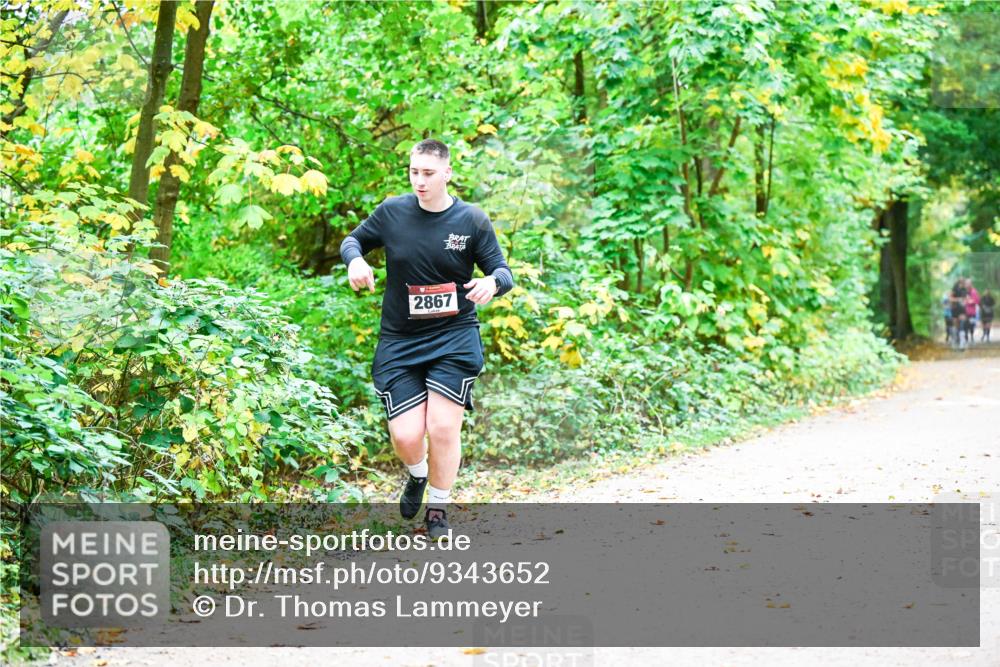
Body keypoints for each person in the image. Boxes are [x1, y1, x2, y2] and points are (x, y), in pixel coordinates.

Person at [339, 139, 514, 539]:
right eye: (414, 172)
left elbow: (503, 272)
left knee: (442, 427)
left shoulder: (471, 220)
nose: (420, 181)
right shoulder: (392, 212)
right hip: (400, 339)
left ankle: (437, 508)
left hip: (454, 336)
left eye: (429, 173)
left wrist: (491, 283)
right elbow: (352, 241)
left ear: (447, 174)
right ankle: (417, 474)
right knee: (404, 435)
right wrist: (357, 260)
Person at [964, 278, 979, 344]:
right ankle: (966, 336)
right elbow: (962, 299)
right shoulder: (963, 291)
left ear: (971, 284)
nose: (967, 285)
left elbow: (977, 301)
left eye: (969, 283)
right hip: (964, 311)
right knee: (965, 324)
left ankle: (972, 336)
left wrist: (969, 302)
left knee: (971, 324)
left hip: (972, 312)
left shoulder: (974, 291)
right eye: (966, 283)